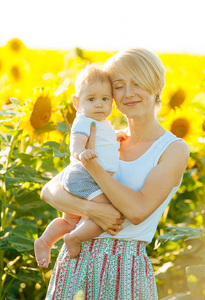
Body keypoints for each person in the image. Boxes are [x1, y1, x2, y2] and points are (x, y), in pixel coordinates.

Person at [40, 48, 190, 299]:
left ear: (157, 86)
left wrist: (93, 166)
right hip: (76, 260)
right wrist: (92, 210)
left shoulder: (173, 149)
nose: (128, 93)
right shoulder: (109, 138)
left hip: (124, 267)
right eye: (119, 86)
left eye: (138, 83)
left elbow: (137, 210)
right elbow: (51, 191)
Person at [34, 64, 120, 268]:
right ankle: (74, 238)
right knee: (107, 214)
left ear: (112, 102)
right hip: (84, 176)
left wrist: (117, 138)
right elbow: (76, 141)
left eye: (105, 99)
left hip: (83, 178)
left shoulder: (103, 124)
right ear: (77, 103)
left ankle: (45, 241)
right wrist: (81, 153)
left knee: (70, 220)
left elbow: (103, 142)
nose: (99, 104)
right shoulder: (84, 121)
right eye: (91, 99)